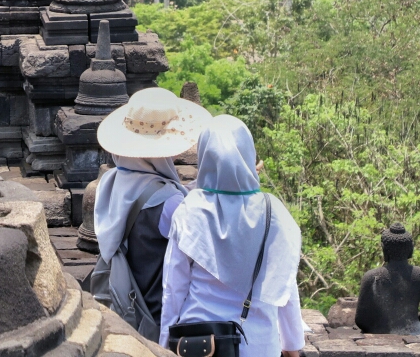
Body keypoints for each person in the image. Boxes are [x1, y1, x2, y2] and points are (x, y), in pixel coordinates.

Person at [161, 115, 305, 357]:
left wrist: (164, 342)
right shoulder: (273, 211)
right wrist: (292, 346)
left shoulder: (190, 210)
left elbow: (173, 289)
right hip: (259, 344)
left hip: (199, 344)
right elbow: (285, 285)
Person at [91, 87, 213, 340]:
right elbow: (200, 236)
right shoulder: (168, 201)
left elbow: (170, 199)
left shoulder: (111, 181)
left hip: (126, 300)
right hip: (155, 314)